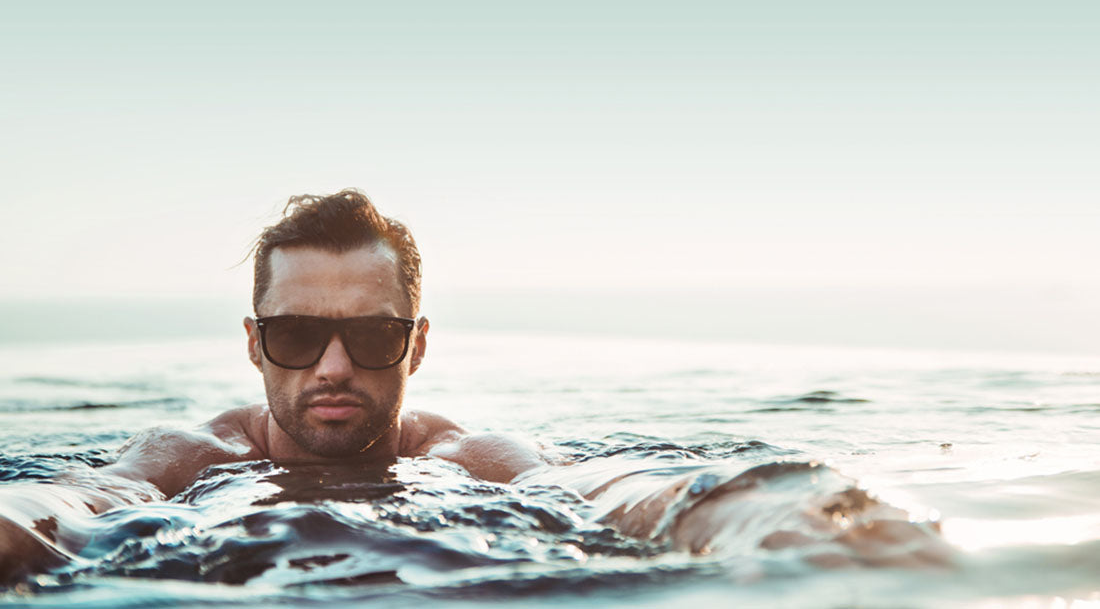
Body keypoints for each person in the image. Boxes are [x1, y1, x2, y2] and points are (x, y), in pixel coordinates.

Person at [0, 189, 949, 584]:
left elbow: (600, 490)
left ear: (416, 347)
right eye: (297, 334)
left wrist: (791, 516)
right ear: (255, 345)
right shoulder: (193, 456)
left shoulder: (462, 455)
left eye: (370, 337)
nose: (333, 367)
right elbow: (74, 503)